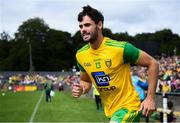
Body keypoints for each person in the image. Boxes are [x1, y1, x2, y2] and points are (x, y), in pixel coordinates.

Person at [71, 5, 159, 122]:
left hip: (129, 107)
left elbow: (153, 63)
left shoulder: (121, 49)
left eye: (87, 25)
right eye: (81, 26)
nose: (83, 30)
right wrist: (81, 88)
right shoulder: (80, 55)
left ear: (99, 25)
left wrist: (150, 98)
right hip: (111, 111)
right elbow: (86, 81)